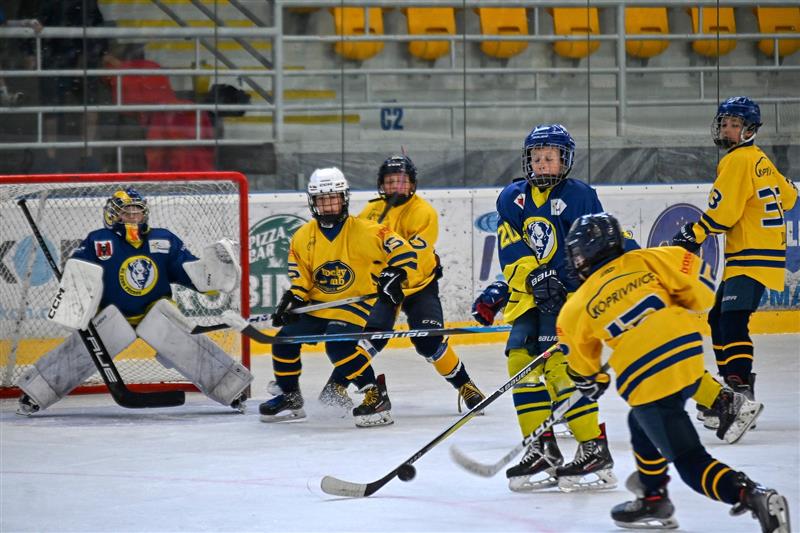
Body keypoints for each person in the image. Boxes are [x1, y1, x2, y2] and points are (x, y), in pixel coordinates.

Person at [559, 212, 790, 532]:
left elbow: (581, 366)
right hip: (687, 355)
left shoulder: (576, 305)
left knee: (689, 459)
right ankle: (653, 498)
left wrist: (593, 380)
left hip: (648, 379)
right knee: (638, 424)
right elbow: (702, 289)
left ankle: (752, 495)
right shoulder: (650, 258)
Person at [16, 187, 252, 415]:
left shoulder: (164, 239)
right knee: (78, 355)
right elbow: (78, 277)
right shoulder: (98, 241)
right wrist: (76, 302)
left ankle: (233, 391)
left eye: (136, 211)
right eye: (125, 212)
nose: (132, 216)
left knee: (191, 348)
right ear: (112, 215)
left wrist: (211, 273)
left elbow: (188, 272)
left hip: (156, 314)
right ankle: (34, 395)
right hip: (111, 316)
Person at [471, 124, 616, 493]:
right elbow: (512, 250)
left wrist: (562, 277)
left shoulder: (581, 196)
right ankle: (542, 449)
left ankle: (593, 448)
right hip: (528, 297)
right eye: (536, 157)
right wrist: (532, 278)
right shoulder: (512, 198)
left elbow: (595, 244)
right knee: (520, 362)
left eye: (550, 157)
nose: (542, 163)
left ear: (565, 160)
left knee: (557, 366)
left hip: (569, 297)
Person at [316, 155, 486, 414]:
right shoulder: (370, 212)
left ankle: (466, 386)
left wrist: (394, 270)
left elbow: (416, 252)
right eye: (390, 181)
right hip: (385, 288)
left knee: (428, 340)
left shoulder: (422, 211)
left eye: (402, 181)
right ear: (381, 185)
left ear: (412, 184)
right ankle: (336, 385)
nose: (396, 186)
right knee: (371, 337)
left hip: (419, 286)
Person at [671, 96, 798, 429]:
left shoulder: (737, 160)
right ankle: (731, 388)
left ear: (749, 129)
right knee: (717, 318)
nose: (727, 129)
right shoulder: (760, 159)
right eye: (724, 123)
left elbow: (724, 213)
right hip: (760, 253)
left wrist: (695, 233)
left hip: (752, 254)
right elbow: (790, 196)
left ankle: (739, 391)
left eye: (734, 124)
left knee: (733, 321)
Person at [259, 167, 418, 428]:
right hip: (318, 305)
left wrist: (396, 274)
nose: (329, 205)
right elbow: (302, 279)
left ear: (344, 198)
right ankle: (290, 397)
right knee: (285, 340)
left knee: (338, 346)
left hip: (353, 305)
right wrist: (294, 298)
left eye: (333, 198)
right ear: (313, 202)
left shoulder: (367, 230)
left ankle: (374, 395)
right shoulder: (303, 236)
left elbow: (405, 252)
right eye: (322, 199)